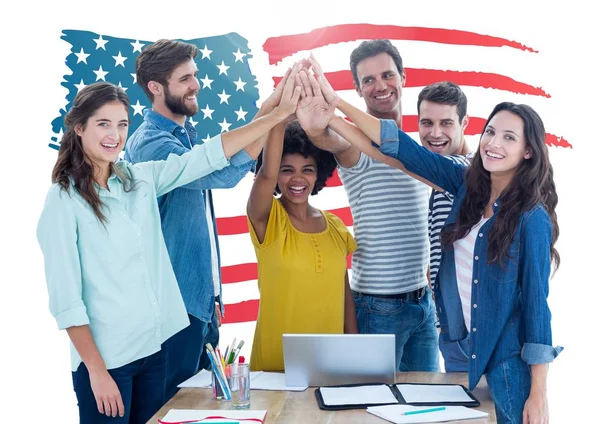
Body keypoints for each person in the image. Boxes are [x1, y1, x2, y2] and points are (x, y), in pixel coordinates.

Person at [36, 81, 297, 423]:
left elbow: (205, 157)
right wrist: (97, 373)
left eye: (122, 124)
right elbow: (67, 302)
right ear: (79, 127)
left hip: (153, 353)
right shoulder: (63, 201)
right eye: (103, 123)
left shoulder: (139, 180)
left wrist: (275, 115)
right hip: (107, 361)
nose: (114, 134)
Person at [316, 76, 563, 423]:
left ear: (528, 151)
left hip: (506, 361)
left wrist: (539, 393)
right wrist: (335, 105)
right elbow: (400, 149)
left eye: (509, 137)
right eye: (491, 132)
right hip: (458, 345)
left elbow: (538, 308)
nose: (494, 143)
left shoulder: (531, 217)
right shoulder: (467, 186)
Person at [124, 39, 267, 399]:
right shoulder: (150, 143)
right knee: (170, 407)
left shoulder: (185, 138)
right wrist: (272, 116)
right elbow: (223, 175)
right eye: (185, 78)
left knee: (202, 408)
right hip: (173, 309)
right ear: (156, 88)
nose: (196, 85)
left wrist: (211, 298)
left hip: (199, 304)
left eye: (195, 75)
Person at [296, 40, 439, 372]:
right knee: (372, 408)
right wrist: (318, 126)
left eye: (387, 75)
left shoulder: (421, 145)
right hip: (379, 309)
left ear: (403, 77)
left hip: (423, 305)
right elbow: (329, 139)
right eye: (369, 80)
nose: (380, 86)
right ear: (358, 91)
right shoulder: (356, 144)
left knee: (427, 408)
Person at [246, 66, 357, 372]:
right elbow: (266, 173)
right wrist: (283, 113)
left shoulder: (334, 225)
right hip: (275, 364)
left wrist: (354, 348)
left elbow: (343, 291)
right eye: (287, 169)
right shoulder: (267, 218)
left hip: (330, 365)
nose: (297, 179)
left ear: (318, 173)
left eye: (306, 169)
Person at [416, 81, 472, 372]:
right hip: (450, 328)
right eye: (427, 123)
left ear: (464, 123)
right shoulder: (441, 185)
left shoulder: (468, 170)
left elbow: (400, 156)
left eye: (446, 123)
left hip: (471, 336)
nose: (435, 133)